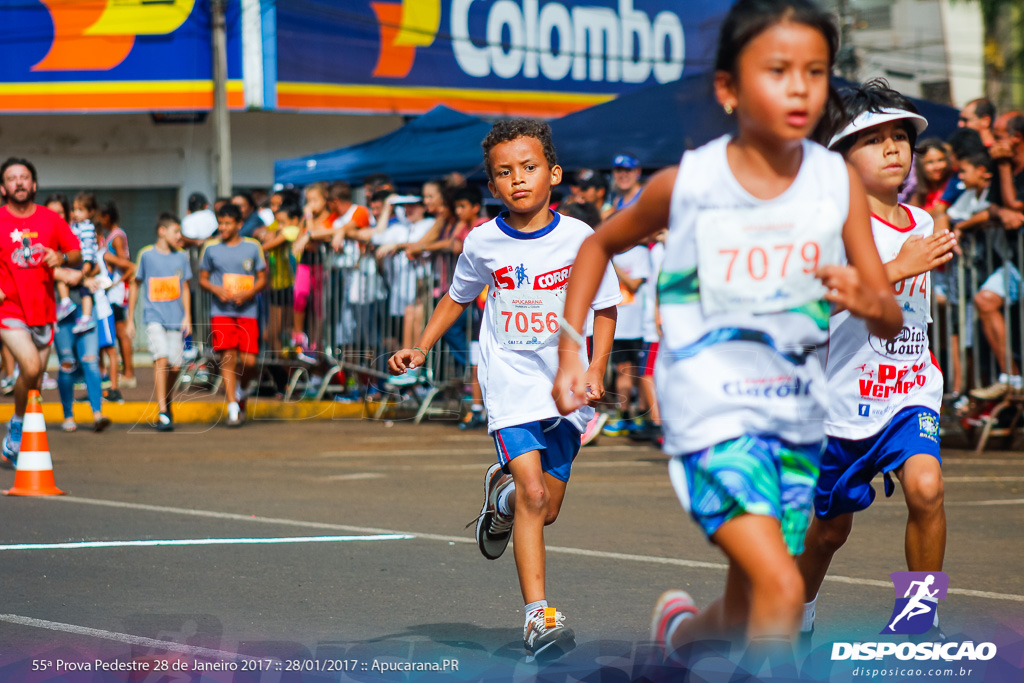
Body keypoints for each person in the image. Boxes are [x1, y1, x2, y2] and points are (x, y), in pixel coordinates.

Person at [552, 0, 902, 660]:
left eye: (816, 71)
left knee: (751, 603)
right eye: (777, 70)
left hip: (797, 415)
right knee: (779, 585)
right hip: (710, 409)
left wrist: (867, 296)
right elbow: (596, 247)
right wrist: (573, 357)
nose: (799, 86)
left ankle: (676, 642)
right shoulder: (687, 184)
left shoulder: (835, 182)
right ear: (729, 89)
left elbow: (885, 312)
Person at [389, 119, 621, 660]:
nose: (518, 180)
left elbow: (606, 307)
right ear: (492, 186)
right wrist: (421, 346)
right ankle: (538, 617)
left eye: (529, 167)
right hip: (510, 383)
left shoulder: (580, 239)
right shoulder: (483, 242)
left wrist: (598, 370)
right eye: (504, 173)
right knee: (535, 497)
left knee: (547, 507)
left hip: (563, 388)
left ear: (553, 174)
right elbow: (456, 296)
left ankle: (502, 499)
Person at [796, 80, 955, 646]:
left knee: (927, 485)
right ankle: (801, 606)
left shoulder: (924, 222)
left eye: (899, 137)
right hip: (840, 405)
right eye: (873, 140)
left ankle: (918, 618)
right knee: (829, 533)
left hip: (910, 388)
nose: (893, 148)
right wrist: (899, 266)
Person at [0, 158, 83, 464]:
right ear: (3, 187)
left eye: (24, 177)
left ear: (33, 185)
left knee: (34, 380)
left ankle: (18, 421)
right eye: (12, 178)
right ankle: (18, 424)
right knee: (31, 368)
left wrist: (60, 257)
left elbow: (76, 253)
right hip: (9, 310)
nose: (19, 182)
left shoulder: (50, 219)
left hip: (44, 311)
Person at [199, 204, 267, 427]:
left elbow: (263, 278)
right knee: (228, 357)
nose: (223, 227)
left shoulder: (253, 246)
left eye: (228, 223)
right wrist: (217, 289)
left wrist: (249, 292)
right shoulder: (211, 248)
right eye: (220, 222)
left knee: (249, 361)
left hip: (247, 311)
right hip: (221, 312)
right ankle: (232, 407)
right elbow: (203, 278)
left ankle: (241, 391)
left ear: (239, 224)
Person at [971, 112, 1024, 399]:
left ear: (1016, 138)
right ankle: (1012, 378)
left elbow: (1016, 203)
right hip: (1016, 263)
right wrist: (1002, 212)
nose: (992, 143)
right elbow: (995, 206)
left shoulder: (1005, 166)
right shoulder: (999, 162)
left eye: (999, 136)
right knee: (985, 299)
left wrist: (1003, 166)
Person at [128, 214, 192, 432]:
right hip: (154, 317)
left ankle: (167, 400)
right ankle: (162, 410)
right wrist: (130, 320)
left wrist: (188, 317)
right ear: (162, 231)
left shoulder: (182, 256)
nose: (179, 236)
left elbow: (185, 287)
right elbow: (135, 284)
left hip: (176, 319)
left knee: (175, 365)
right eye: (176, 231)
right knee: (161, 358)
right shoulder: (146, 255)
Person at [97, 200, 136, 391]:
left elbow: (126, 263)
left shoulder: (116, 237)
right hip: (113, 292)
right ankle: (125, 371)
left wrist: (116, 282)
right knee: (116, 333)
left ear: (107, 217)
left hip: (118, 293)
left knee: (122, 333)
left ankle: (129, 373)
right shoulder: (112, 236)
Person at [59, 192, 101, 334]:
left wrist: (87, 265)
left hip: (83, 259)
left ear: (90, 212)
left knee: (63, 277)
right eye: (74, 209)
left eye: (80, 210)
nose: (76, 213)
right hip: (82, 260)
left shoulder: (87, 227)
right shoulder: (77, 225)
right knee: (85, 291)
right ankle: (85, 316)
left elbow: (88, 246)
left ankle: (68, 304)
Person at [910, 139, 953, 215]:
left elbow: (940, 211)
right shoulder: (920, 192)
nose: (937, 167)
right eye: (930, 162)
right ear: (921, 166)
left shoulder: (953, 185)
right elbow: (908, 214)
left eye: (940, 160)